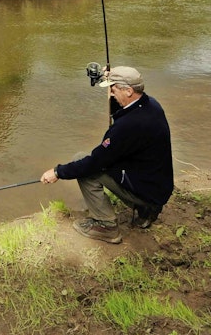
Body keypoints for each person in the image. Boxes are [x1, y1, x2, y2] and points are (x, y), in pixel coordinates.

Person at [40, 66, 174, 244]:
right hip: (158, 187)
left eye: (114, 88)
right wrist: (113, 81)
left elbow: (94, 162)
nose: (110, 92)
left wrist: (57, 172)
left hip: (146, 192)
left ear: (129, 91)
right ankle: (147, 212)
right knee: (102, 161)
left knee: (81, 161)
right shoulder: (151, 105)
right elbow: (121, 115)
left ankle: (106, 226)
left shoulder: (128, 126)